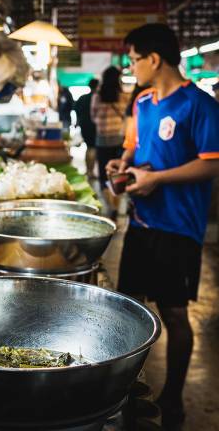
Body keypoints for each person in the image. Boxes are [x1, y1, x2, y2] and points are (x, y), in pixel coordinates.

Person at [107, 23, 219, 427]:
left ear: (154, 59)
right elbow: (134, 148)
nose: (131, 68)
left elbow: (212, 163)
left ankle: (172, 398)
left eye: (134, 59)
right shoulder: (143, 102)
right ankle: (126, 389)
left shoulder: (199, 105)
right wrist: (123, 166)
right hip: (141, 221)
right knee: (129, 310)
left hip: (178, 228)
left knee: (173, 313)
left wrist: (158, 179)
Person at [91, 66, 129, 214]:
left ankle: (110, 206)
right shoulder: (124, 96)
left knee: (103, 173)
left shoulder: (97, 96)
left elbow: (93, 117)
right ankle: (117, 204)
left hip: (102, 141)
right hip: (119, 140)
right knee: (117, 174)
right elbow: (127, 118)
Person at [74, 78, 99, 178]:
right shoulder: (98, 98)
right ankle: (91, 171)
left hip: (84, 126)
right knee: (92, 148)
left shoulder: (82, 97)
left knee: (88, 148)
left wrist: (77, 122)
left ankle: (88, 170)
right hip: (94, 127)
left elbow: (75, 110)